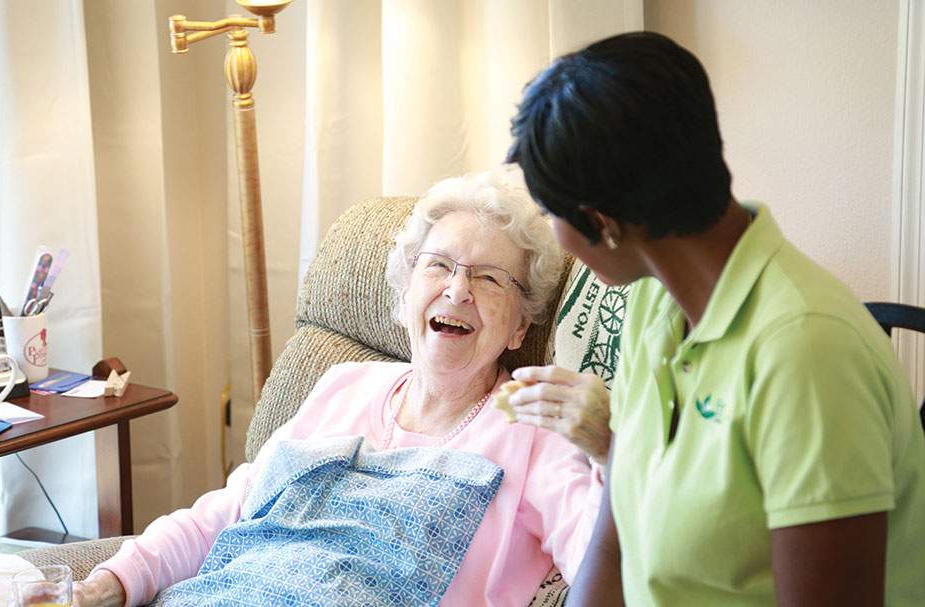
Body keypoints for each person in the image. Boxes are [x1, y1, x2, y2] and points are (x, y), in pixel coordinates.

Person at [506, 32, 925, 607]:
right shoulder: (652, 304)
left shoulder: (807, 351)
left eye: (550, 213)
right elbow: (614, 545)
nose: (556, 236)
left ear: (602, 222)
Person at [72, 168, 608, 607]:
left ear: (520, 328)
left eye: (489, 277)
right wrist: (112, 582)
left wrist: (612, 450)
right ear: (403, 295)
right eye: (439, 266)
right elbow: (227, 512)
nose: (458, 289)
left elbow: (607, 570)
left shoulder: (534, 426)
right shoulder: (344, 384)